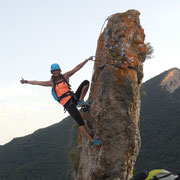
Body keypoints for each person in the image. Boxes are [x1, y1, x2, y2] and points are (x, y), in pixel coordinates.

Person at [20, 56, 101, 146]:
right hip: (68, 105)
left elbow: (77, 68)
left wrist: (86, 60)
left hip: (73, 98)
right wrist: (26, 81)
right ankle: (92, 141)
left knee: (86, 82)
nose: (55, 72)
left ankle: (80, 101)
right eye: (54, 71)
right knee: (80, 122)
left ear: (59, 70)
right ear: (52, 72)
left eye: (57, 70)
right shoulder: (51, 83)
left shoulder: (65, 76)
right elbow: (38, 82)